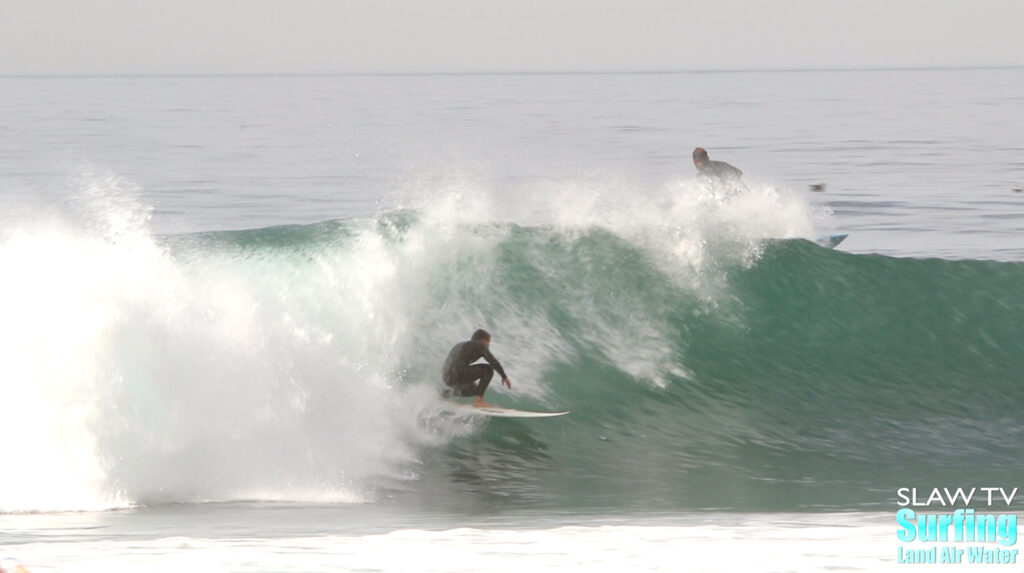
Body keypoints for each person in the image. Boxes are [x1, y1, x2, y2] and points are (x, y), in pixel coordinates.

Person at [442, 329, 511, 408]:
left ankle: (444, 394)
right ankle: (478, 401)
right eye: (488, 342)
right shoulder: (479, 345)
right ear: (483, 340)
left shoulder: (460, 345)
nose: (488, 345)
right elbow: (492, 361)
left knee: (474, 390)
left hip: (447, 377)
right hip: (458, 373)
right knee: (488, 369)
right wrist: (504, 376)